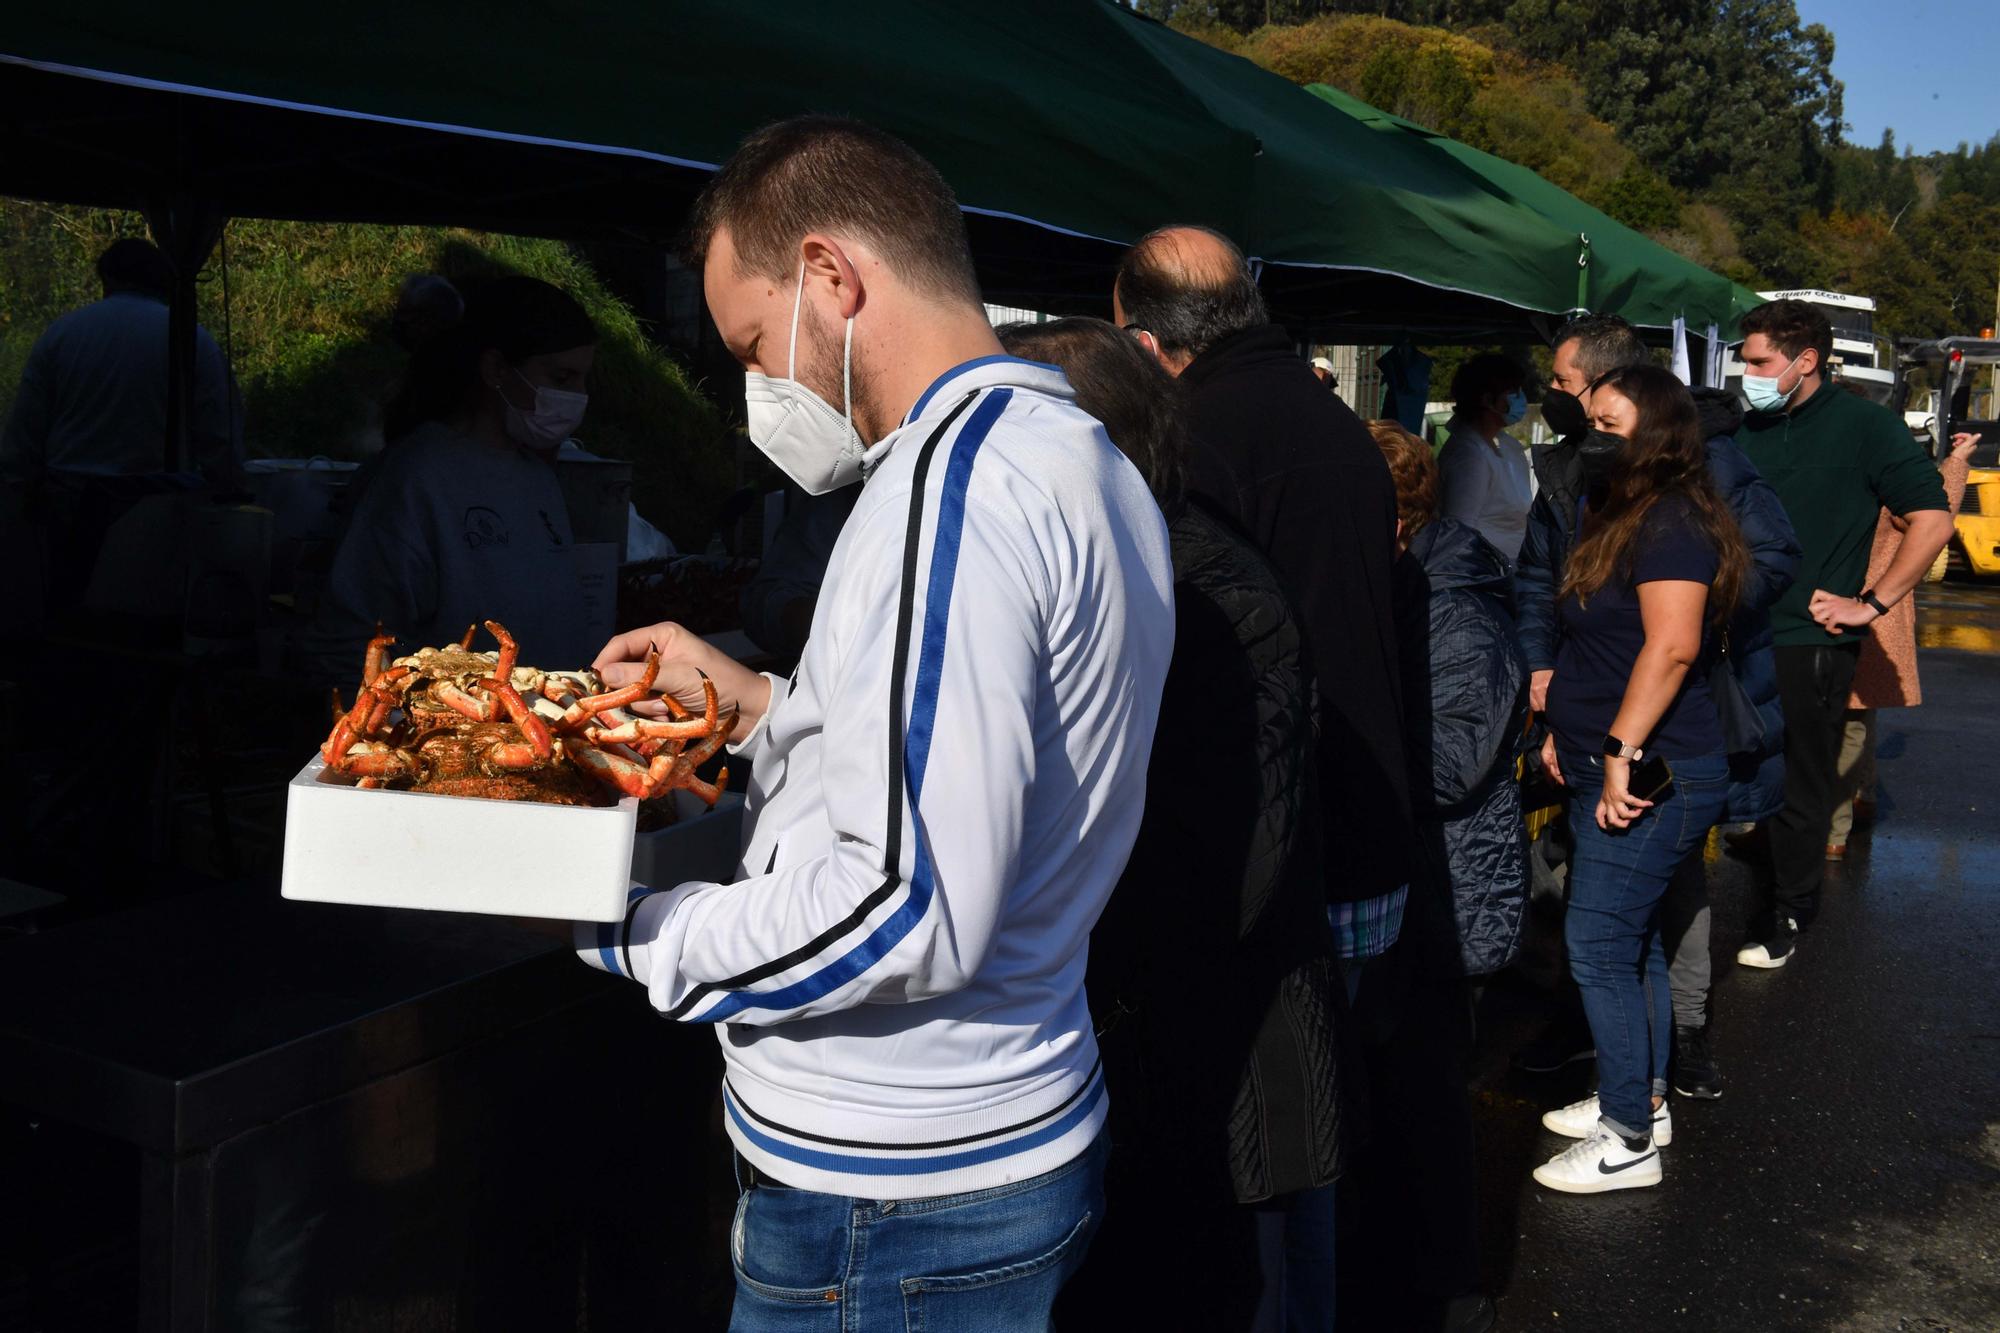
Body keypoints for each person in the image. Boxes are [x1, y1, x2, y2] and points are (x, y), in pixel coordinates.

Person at [575, 118, 1174, 1326]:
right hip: (986, 1132)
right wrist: (761, 710)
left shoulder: (950, 495)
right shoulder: (1074, 451)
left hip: (894, 1191)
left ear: (831, 279)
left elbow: (903, 907)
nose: (758, 388)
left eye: (754, 344)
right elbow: (991, 759)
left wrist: (627, 927)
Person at [996, 316, 1345, 1332]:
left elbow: (1219, 868)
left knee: (1212, 1287)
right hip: (1165, 1047)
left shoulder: (1192, 584)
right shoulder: (1147, 556)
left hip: (1202, 1057)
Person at [1514, 315, 1799, 1100]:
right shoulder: (1582, 473)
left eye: (1569, 388)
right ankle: (1620, 1057)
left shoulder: (1693, 484)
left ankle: (1673, 1051)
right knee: (1606, 913)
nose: (1559, 403)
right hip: (1596, 714)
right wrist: (1544, 667)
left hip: (1670, 723)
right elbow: (1543, 577)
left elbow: (1764, 563)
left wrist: (1684, 611)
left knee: (1656, 901)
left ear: (1618, 389)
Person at [1112, 224, 1415, 927]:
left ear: (1145, 345)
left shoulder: (1191, 441)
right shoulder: (1340, 421)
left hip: (1274, 849)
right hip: (1365, 814)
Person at [1533, 364, 1749, 1193]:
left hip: (1652, 770)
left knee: (1596, 948)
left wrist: (1619, 750)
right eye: (1589, 416)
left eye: (1610, 420)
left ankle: (1628, 1140)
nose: (1591, 431)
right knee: (1632, 943)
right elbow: (1600, 645)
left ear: (1656, 432)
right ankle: (1643, 1099)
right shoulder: (1619, 511)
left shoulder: (1671, 524)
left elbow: (1672, 647)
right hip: (1602, 761)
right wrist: (1571, 735)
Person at [1352, 419, 1522, 1331]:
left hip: (1449, 897)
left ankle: (1451, 1288)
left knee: (1427, 1101)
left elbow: (1453, 761)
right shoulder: (1400, 583)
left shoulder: (1458, 605)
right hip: (1411, 887)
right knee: (1391, 1093)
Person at [1733, 299, 1953, 968]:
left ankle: (1791, 917)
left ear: (1806, 361)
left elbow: (1933, 520)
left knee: (1804, 786)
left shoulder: (1865, 427)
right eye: (1744, 361)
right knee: (1736, 774)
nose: (1748, 373)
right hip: (1736, 635)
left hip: (1812, 639)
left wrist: (1872, 603)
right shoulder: (1744, 428)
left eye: (1759, 361)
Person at [300, 275, 598, 677]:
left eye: (583, 379)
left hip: (556, 726)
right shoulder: (416, 476)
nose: (577, 397)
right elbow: (354, 639)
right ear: (495, 368)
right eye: (561, 379)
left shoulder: (538, 477)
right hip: (460, 733)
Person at [1826, 430, 1979, 858]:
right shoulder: (1882, 471)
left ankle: (1834, 826)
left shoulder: (1858, 476)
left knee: (1841, 718)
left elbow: (1933, 514)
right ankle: (1857, 802)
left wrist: (1957, 462)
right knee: (1858, 712)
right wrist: (1956, 462)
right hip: (1875, 614)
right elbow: (1937, 505)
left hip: (1858, 611)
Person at [0, 237, 240, 486]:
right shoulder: (191, 338)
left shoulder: (62, 333)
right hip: (158, 499)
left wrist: (19, 491)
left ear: (107, 278)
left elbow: (25, 429)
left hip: (68, 497)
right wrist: (228, 486)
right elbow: (220, 432)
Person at [1437, 353, 1534, 564]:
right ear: (1488, 400)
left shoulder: (1507, 446)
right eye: (1513, 393)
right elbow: (1458, 532)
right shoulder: (1469, 456)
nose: (1521, 399)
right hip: (1481, 578)